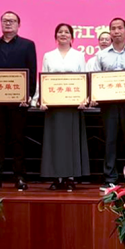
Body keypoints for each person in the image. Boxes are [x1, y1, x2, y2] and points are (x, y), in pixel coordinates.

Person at [89, 17, 125, 192]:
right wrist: (97, 95)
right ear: (110, 32)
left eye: (120, 28)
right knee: (110, 140)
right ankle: (110, 179)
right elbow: (95, 78)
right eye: (113, 28)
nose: (116, 31)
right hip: (109, 104)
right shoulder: (101, 55)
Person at [0, 11, 37, 190]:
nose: (8, 23)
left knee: (18, 139)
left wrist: (28, 95)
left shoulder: (27, 45)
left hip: (18, 102)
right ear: (1, 23)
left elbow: (31, 71)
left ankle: (19, 176)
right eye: (5, 21)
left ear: (18, 25)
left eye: (12, 21)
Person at [38, 23, 90, 191]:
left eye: (66, 32)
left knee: (71, 143)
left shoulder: (79, 55)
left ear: (72, 37)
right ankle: (56, 177)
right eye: (60, 32)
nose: (63, 34)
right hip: (53, 106)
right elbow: (43, 78)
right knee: (55, 142)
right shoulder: (48, 56)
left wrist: (84, 98)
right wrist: (41, 100)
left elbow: (84, 78)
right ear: (55, 36)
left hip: (73, 106)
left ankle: (70, 177)